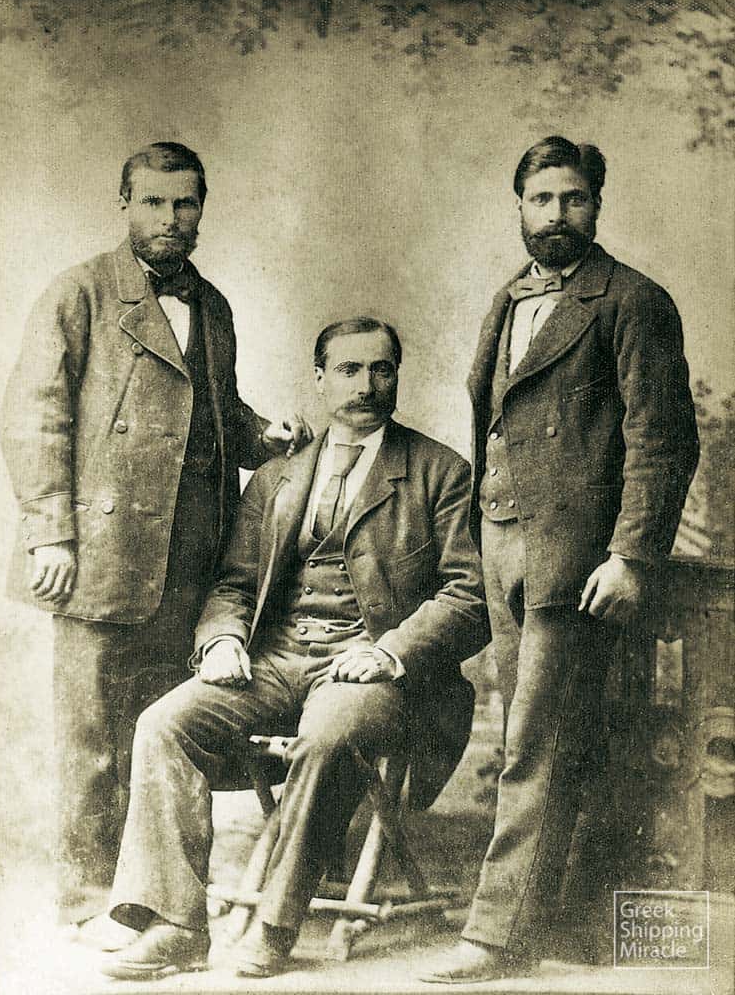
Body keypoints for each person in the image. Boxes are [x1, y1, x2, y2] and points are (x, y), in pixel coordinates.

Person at [98, 316, 489, 980]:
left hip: (374, 671)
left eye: (381, 370)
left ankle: (275, 923)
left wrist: (389, 651)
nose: (366, 385)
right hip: (277, 659)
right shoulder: (277, 475)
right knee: (164, 723)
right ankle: (175, 925)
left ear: (396, 375)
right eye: (348, 369)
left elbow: (469, 594)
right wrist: (223, 639)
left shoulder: (439, 472)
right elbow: (234, 583)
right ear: (319, 379)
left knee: (330, 733)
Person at [0, 142, 312, 939]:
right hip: (100, 552)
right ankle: (86, 900)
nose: (170, 219)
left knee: (164, 732)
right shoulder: (79, 292)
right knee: (93, 738)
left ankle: (158, 898)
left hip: (191, 558)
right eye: (153, 202)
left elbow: (214, 410)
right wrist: (49, 535)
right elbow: (35, 416)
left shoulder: (213, 306)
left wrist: (264, 437)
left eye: (184, 204)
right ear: (125, 205)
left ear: (201, 208)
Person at [419, 136, 699, 983]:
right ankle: (561, 926)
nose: (556, 214)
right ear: (519, 206)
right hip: (500, 539)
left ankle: (496, 937)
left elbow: (661, 440)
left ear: (596, 206)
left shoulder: (633, 301)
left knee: (535, 745)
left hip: (573, 557)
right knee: (534, 736)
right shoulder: (507, 299)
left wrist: (630, 555)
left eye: (572, 198)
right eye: (540, 199)